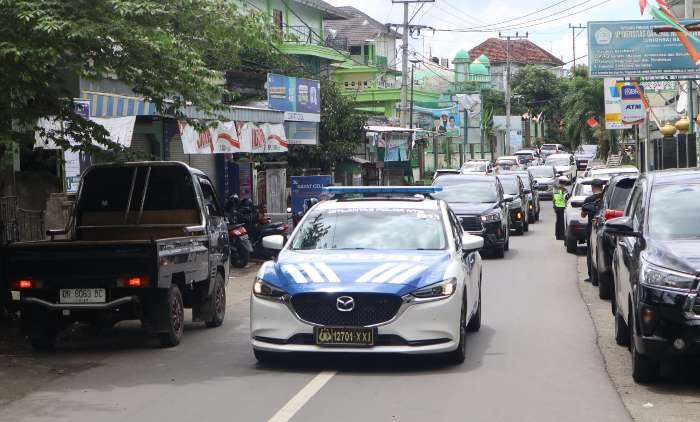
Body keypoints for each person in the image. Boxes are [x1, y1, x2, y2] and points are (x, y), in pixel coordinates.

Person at [581, 179, 606, 283]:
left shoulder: (589, 199)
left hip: (593, 228)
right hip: (606, 227)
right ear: (602, 187)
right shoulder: (606, 198)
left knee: (591, 251)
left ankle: (592, 277)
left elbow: (583, 215)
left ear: (592, 188)